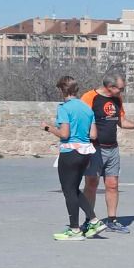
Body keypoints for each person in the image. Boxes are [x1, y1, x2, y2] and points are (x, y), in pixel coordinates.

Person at [80, 72, 134, 234]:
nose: (122, 92)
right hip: (94, 149)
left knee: (112, 185)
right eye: (120, 89)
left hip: (112, 148)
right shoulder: (89, 97)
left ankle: (112, 220)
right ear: (110, 87)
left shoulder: (116, 100)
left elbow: (121, 122)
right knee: (91, 184)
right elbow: (79, 120)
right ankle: (88, 220)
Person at [44, 76, 103, 240]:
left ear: (62, 90)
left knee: (68, 191)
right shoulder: (87, 109)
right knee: (74, 190)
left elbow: (64, 134)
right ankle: (94, 220)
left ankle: (75, 229)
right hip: (85, 153)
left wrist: (48, 128)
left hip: (70, 153)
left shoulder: (64, 108)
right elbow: (93, 134)